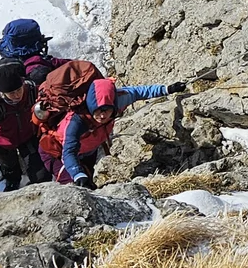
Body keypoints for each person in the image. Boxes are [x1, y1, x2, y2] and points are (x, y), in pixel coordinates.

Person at [40, 76, 186, 189]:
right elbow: (68, 152)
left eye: (107, 111)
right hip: (57, 154)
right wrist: (77, 175)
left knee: (91, 185)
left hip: (88, 151)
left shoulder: (117, 100)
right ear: (91, 107)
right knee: (73, 187)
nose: (103, 116)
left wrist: (167, 89)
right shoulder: (76, 122)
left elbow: (139, 92)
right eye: (98, 111)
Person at [0, 60, 49, 192]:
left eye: (19, 90)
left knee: (42, 177)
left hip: (28, 136)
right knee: (11, 172)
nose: (17, 95)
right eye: (11, 93)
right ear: (2, 93)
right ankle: (12, 181)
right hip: (3, 142)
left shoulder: (32, 92)